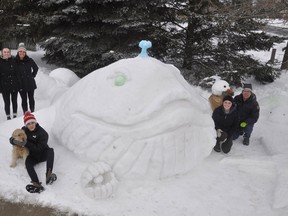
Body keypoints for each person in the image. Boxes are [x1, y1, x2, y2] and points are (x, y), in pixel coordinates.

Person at [9, 111, 57, 193]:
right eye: (28, 124)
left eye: (32, 123)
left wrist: (26, 143)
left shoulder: (43, 133)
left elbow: (39, 149)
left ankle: (48, 175)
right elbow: (12, 138)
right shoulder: (23, 130)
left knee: (51, 151)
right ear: (26, 125)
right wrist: (15, 141)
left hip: (42, 154)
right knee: (27, 163)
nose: (31, 125)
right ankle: (36, 184)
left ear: (35, 122)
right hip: (32, 156)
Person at [15, 43, 39, 113]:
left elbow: (36, 68)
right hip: (21, 84)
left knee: (31, 98)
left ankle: (32, 111)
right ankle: (25, 112)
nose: (22, 53)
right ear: (18, 52)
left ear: (25, 52)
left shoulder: (29, 60)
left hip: (30, 83)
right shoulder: (14, 61)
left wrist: (32, 75)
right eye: (20, 51)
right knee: (24, 99)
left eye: (23, 51)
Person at [0, 47, 21, 120]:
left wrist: (19, 84)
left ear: (10, 53)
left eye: (8, 52)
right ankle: (8, 117)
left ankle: (15, 116)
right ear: (2, 53)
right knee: (7, 102)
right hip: (4, 86)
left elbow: (18, 73)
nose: (6, 53)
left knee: (14, 101)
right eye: (5, 52)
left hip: (14, 85)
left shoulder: (14, 61)